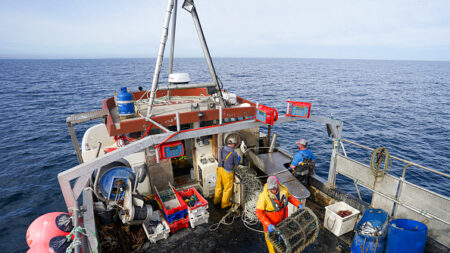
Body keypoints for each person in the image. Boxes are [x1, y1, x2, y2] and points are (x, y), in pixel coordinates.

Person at [256, 176, 303, 253]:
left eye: (274, 187)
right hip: (271, 226)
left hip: (283, 223)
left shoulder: (283, 189)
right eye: (271, 188)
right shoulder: (263, 197)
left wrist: (298, 204)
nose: (273, 190)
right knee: (272, 245)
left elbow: (290, 198)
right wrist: (267, 224)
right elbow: (259, 213)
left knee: (281, 240)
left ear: (277, 185)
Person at [214, 137, 240, 209]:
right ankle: (225, 204)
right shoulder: (234, 153)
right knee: (227, 188)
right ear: (232, 144)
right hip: (227, 172)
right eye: (234, 144)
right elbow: (236, 164)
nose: (234, 146)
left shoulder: (221, 148)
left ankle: (216, 200)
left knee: (218, 186)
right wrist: (238, 159)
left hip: (219, 169)